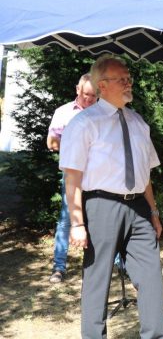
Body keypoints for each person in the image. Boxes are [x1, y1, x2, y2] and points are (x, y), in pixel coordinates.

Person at [60, 55, 163, 339]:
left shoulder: (138, 121)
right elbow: (73, 177)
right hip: (101, 206)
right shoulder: (84, 123)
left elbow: (145, 174)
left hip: (140, 209)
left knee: (151, 276)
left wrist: (153, 212)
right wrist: (77, 223)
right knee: (98, 279)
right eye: (123, 79)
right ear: (103, 85)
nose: (129, 83)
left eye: (129, 78)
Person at [47, 73, 97, 283]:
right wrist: (74, 145)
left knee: (102, 218)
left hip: (98, 176)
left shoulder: (102, 113)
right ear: (78, 90)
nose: (88, 99)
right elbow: (51, 143)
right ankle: (59, 268)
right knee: (67, 218)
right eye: (85, 94)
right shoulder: (64, 112)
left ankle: (116, 263)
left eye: (93, 96)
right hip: (72, 175)